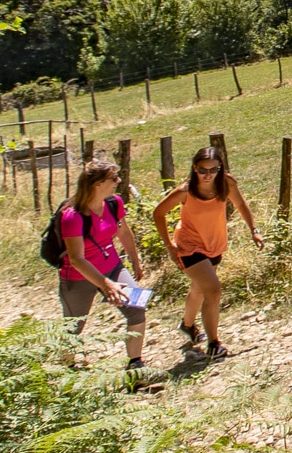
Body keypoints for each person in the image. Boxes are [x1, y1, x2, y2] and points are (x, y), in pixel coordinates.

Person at [153, 145, 262, 361]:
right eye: (203, 170)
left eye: (213, 170)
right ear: (195, 168)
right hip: (189, 246)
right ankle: (214, 344)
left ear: (220, 169)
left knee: (199, 290)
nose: (207, 175)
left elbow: (241, 204)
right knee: (212, 290)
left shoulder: (226, 184)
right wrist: (169, 246)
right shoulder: (186, 191)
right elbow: (159, 213)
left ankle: (187, 325)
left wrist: (254, 230)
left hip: (214, 244)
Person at [57, 158, 149, 372]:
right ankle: (66, 370)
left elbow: (123, 231)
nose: (118, 181)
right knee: (73, 326)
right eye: (113, 178)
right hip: (78, 277)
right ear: (97, 184)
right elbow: (77, 259)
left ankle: (135, 367)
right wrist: (106, 285)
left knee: (137, 309)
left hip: (112, 266)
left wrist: (134, 260)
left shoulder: (113, 202)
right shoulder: (72, 216)